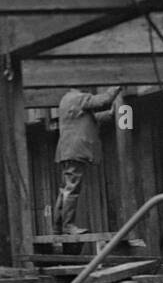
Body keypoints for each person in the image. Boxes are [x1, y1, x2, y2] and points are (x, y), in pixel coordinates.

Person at [52, 86, 122, 234]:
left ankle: (58, 226)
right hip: (75, 150)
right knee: (72, 188)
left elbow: (91, 118)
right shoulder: (78, 97)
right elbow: (104, 101)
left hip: (67, 150)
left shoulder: (67, 99)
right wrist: (117, 86)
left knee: (65, 188)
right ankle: (67, 226)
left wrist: (112, 112)